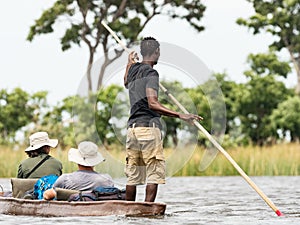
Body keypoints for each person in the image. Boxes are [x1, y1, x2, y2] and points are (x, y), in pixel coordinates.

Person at [124, 37, 203, 202]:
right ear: (157, 52)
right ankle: (148, 212)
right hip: (148, 128)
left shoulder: (133, 70)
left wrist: (129, 63)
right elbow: (153, 103)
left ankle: (128, 210)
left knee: (133, 175)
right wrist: (181, 115)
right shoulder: (152, 73)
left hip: (132, 130)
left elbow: (126, 82)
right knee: (154, 172)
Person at [43, 141, 114, 200]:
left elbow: (47, 195)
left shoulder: (65, 179)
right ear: (95, 161)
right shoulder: (107, 179)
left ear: (78, 160)